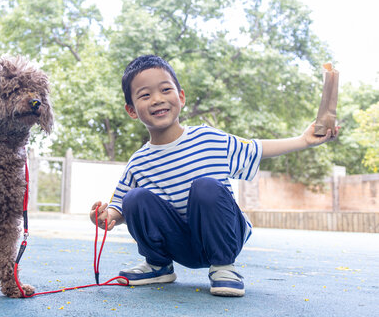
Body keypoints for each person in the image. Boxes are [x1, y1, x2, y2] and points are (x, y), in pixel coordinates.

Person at [89, 55, 339, 297]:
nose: (157, 99)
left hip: (223, 236)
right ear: (132, 110)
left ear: (181, 96)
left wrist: (303, 140)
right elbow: (120, 207)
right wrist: (106, 216)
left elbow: (257, 147)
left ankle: (223, 267)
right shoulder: (138, 162)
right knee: (135, 197)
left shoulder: (209, 138)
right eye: (145, 95)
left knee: (205, 187)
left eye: (165, 90)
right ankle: (158, 265)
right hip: (181, 245)